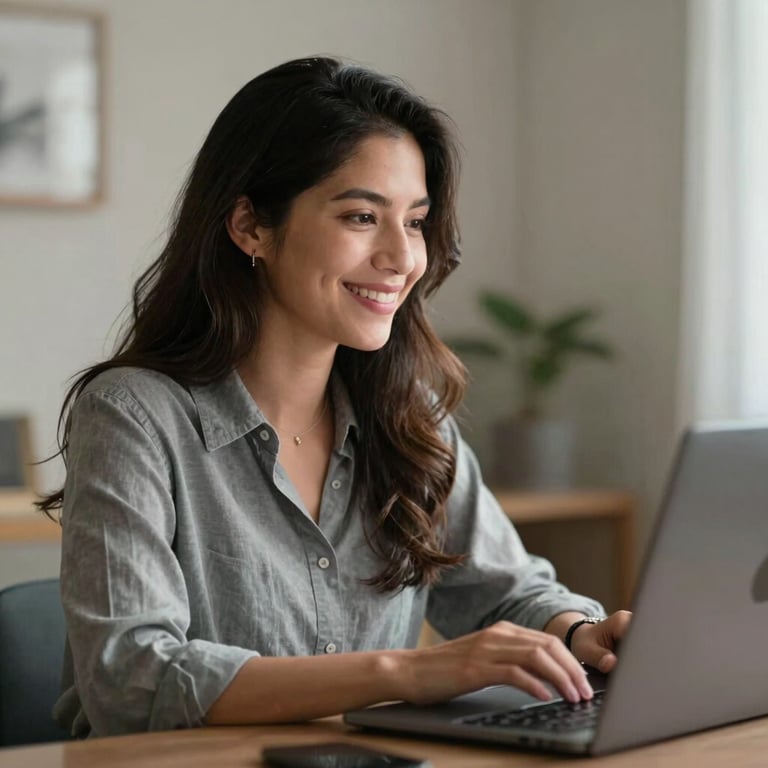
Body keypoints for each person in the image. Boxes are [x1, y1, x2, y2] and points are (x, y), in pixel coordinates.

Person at [39, 56, 631, 738]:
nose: (403, 257)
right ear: (249, 227)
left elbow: (506, 589)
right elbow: (131, 679)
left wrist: (579, 632)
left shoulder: (412, 421)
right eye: (360, 217)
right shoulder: (134, 415)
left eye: (414, 222)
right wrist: (407, 672)